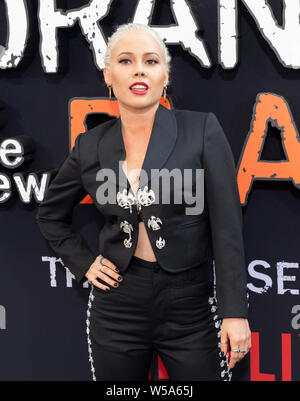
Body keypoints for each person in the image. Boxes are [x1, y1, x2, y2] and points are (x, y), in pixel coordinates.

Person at [36, 22, 251, 381]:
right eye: (125, 61)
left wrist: (235, 312)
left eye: (150, 61)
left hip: (190, 305)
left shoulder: (201, 130)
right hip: (117, 307)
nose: (139, 69)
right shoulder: (91, 145)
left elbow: (227, 228)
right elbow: (50, 214)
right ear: (109, 75)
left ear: (165, 76)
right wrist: (85, 263)